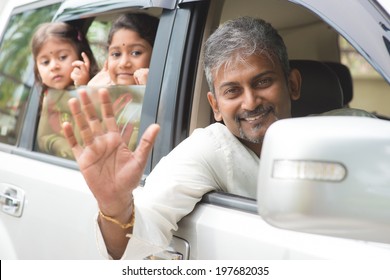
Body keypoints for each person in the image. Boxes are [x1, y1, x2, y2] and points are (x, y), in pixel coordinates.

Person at [62, 16, 302, 259]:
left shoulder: (336, 128)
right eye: (232, 91)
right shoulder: (211, 149)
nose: (250, 102)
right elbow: (138, 238)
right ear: (215, 106)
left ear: (292, 84)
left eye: (262, 82)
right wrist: (114, 206)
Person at [31, 21, 99, 158]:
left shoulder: (99, 86)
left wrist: (83, 86)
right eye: (45, 62)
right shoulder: (46, 98)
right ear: (37, 69)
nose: (54, 66)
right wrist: (61, 145)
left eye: (62, 57)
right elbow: (43, 138)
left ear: (81, 56)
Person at [88, 13, 159, 86]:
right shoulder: (99, 88)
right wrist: (91, 90)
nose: (123, 63)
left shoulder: (168, 94)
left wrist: (152, 88)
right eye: (116, 54)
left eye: (136, 53)